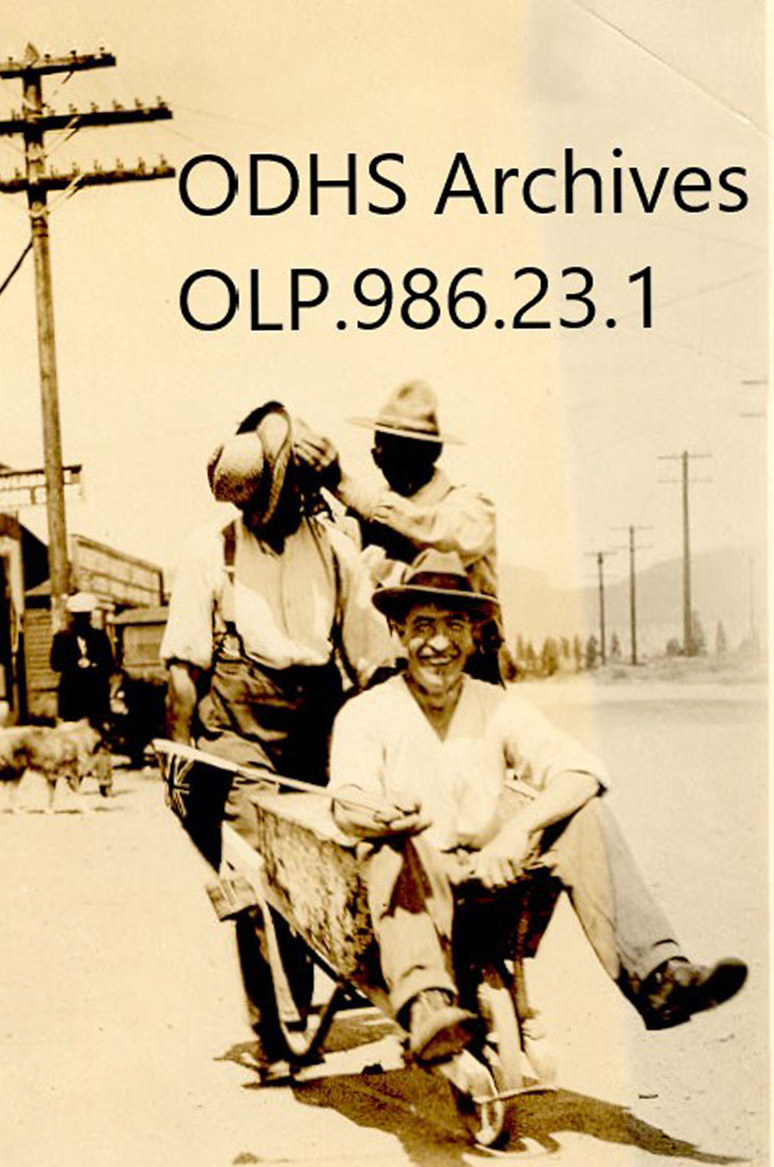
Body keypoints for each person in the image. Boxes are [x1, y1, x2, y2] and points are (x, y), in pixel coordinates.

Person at [326, 549, 747, 1064]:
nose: (439, 643)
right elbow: (346, 805)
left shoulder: (496, 706)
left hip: (490, 873)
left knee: (584, 814)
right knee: (395, 846)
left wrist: (517, 831)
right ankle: (426, 1005)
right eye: (423, 625)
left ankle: (657, 976)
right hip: (413, 888)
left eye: (455, 625)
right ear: (398, 632)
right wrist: (379, 811)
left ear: (475, 635)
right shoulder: (367, 714)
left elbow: (579, 770)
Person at [161, 400, 397, 1079]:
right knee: (257, 869)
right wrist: (183, 765)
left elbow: (370, 660)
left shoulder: (334, 549)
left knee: (317, 861)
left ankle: (305, 1006)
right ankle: (273, 1032)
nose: (268, 511)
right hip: (235, 732)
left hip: (318, 722)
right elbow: (185, 670)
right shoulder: (210, 550)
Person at [295, 380, 505, 683]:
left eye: (411, 447)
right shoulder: (363, 518)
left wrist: (341, 483)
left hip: (468, 678)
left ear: (435, 451)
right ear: (376, 455)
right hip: (393, 682)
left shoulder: (471, 509)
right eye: (390, 446)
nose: (398, 457)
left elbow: (437, 537)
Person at [50, 591, 114, 796]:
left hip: (96, 697)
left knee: (101, 739)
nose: (81, 619)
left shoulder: (100, 637)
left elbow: (110, 664)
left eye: (85, 615)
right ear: (71, 616)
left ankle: (105, 781)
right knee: (71, 740)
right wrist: (75, 665)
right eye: (78, 616)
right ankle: (74, 781)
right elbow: (55, 664)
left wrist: (93, 665)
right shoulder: (61, 639)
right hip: (72, 696)